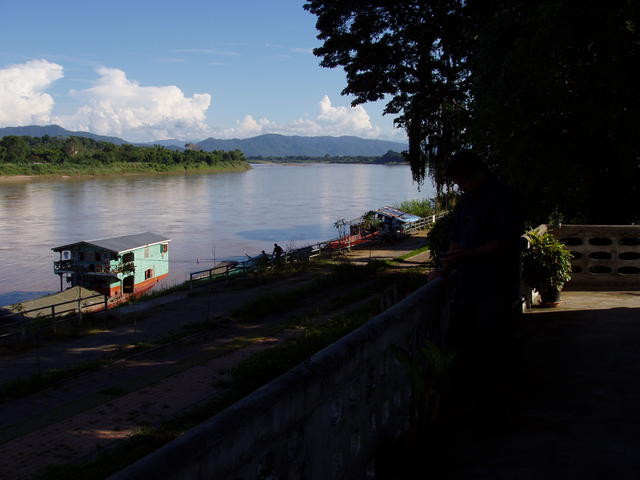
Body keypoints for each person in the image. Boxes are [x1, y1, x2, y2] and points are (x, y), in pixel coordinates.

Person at [433, 150, 523, 421]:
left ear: (477, 174)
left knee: (491, 348)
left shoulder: (503, 198)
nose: (461, 186)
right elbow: (457, 240)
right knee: (459, 344)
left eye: (463, 181)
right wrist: (443, 269)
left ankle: (493, 410)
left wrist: (469, 255)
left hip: (496, 286)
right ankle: (466, 406)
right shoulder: (466, 202)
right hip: (467, 285)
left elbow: (506, 242)